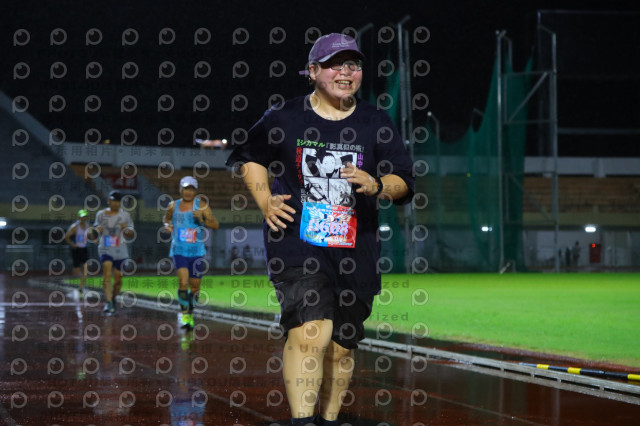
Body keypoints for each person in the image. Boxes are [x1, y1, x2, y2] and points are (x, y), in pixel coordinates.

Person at [226, 33, 414, 426]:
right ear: (312, 71)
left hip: (356, 248)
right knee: (311, 331)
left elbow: (404, 181)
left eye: (353, 65)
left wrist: (378, 184)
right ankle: (302, 421)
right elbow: (249, 156)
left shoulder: (375, 121)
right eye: (334, 64)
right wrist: (265, 200)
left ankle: (328, 420)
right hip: (297, 242)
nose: (346, 72)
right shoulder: (284, 116)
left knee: (342, 347)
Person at [163, 176, 219, 329]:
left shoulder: (202, 206)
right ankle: (185, 315)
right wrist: (167, 225)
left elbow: (215, 225)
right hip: (179, 249)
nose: (188, 192)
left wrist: (202, 219)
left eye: (191, 189)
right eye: (186, 188)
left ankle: (190, 312)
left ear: (195, 191)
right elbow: (166, 219)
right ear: (180, 189)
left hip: (196, 251)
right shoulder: (173, 206)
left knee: (195, 288)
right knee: (183, 282)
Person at [93, 190, 135, 315]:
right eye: (113, 201)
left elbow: (130, 234)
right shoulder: (101, 214)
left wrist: (125, 229)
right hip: (105, 248)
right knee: (107, 272)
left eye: (117, 201)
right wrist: (97, 230)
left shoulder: (125, 216)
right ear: (108, 201)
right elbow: (95, 230)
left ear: (120, 202)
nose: (115, 203)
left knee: (118, 280)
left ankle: (113, 298)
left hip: (120, 249)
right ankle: (109, 302)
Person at [65, 209, 90, 295]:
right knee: (76, 271)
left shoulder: (88, 226)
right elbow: (66, 237)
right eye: (82, 217)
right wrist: (73, 244)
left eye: (85, 217)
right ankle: (76, 282)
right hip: (76, 249)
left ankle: (81, 287)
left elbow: (92, 235)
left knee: (85, 269)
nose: (83, 218)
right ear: (79, 217)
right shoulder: (75, 227)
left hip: (84, 249)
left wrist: (94, 239)